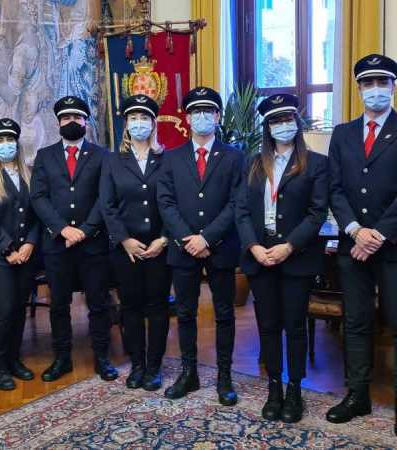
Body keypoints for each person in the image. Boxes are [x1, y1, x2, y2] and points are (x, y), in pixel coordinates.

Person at [325, 54, 397, 439]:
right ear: (358, 89)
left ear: (393, 87)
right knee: (355, 322)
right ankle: (357, 395)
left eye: (382, 82)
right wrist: (355, 230)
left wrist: (378, 235)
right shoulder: (343, 133)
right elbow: (334, 188)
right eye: (368, 83)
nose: (375, 90)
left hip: (394, 247)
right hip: (352, 245)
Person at [236, 94, 329, 423]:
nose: (282, 125)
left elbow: (317, 213)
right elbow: (241, 210)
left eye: (287, 119)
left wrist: (289, 246)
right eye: (275, 120)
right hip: (260, 255)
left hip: (295, 256)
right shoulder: (252, 163)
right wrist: (253, 246)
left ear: (297, 123)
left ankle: (294, 389)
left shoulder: (316, 163)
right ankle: (274, 386)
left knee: (295, 325)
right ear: (267, 127)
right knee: (268, 325)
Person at [157, 86, 244, 406]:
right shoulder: (171, 157)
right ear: (187, 118)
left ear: (218, 117)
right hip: (183, 249)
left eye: (208, 111)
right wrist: (188, 238)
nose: (202, 117)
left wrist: (207, 238)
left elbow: (237, 203)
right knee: (185, 313)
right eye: (196, 112)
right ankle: (189, 373)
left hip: (221, 247)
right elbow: (165, 202)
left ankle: (224, 377)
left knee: (224, 314)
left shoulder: (235, 157)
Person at [30, 95, 118, 382]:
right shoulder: (44, 156)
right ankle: (62, 358)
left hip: (93, 244)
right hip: (57, 245)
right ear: (58, 123)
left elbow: (106, 197)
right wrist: (63, 229)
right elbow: (38, 197)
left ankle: (102, 357)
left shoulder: (102, 156)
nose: (72, 122)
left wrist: (85, 229)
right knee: (58, 305)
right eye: (66, 118)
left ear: (86, 122)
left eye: (77, 117)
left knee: (98, 303)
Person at [99, 94, 171, 391]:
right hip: (126, 249)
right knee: (131, 306)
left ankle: (154, 366)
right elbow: (107, 205)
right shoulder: (113, 161)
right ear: (126, 124)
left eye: (144, 118)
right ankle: (137, 364)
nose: (139, 123)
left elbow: (174, 202)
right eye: (133, 118)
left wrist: (164, 238)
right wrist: (124, 240)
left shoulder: (167, 159)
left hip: (160, 246)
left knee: (157, 306)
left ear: (153, 123)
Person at [0, 118, 38, 390]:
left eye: (9, 140)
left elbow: (38, 215)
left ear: (17, 144)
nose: (5, 145)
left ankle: (14, 360)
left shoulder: (30, 174)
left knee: (20, 308)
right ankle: (0, 367)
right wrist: (9, 249)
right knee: (5, 309)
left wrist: (30, 244)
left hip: (26, 254)